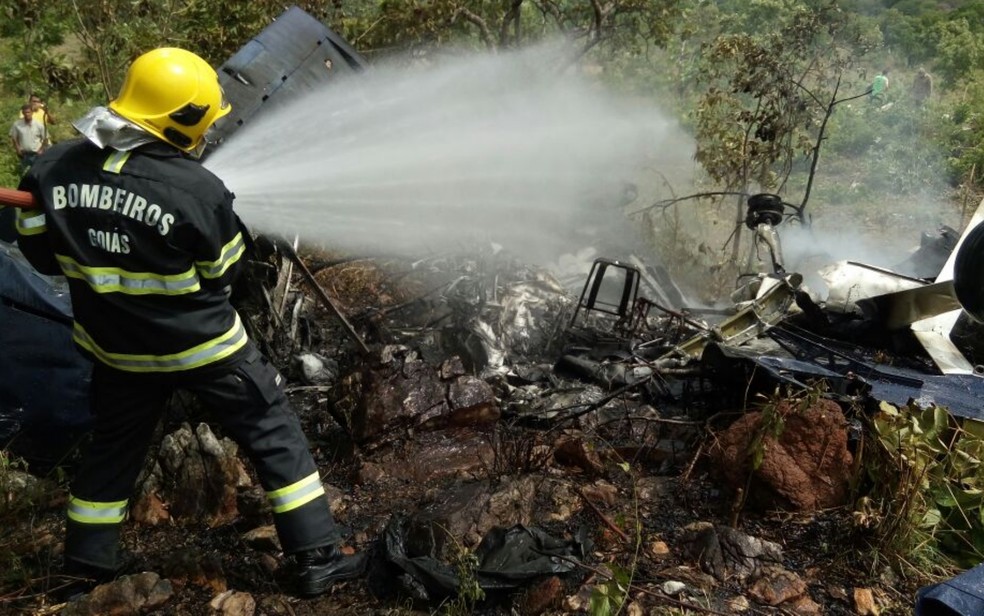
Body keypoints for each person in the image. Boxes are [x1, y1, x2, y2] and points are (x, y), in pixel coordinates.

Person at [14, 47, 365, 599]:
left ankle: (84, 564)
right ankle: (318, 557)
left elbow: (36, 253)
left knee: (112, 449)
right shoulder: (196, 189)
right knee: (273, 431)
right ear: (183, 119)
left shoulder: (51, 167)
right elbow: (225, 270)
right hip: (205, 351)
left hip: (115, 352)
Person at [9, 103, 49, 173]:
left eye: (28, 112)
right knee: (23, 174)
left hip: (36, 154)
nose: (27, 114)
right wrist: (18, 149)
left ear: (32, 112)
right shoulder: (17, 124)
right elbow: (14, 138)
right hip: (24, 155)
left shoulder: (39, 125)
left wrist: (41, 150)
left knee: (36, 173)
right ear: (22, 113)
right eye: (25, 112)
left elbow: (45, 138)